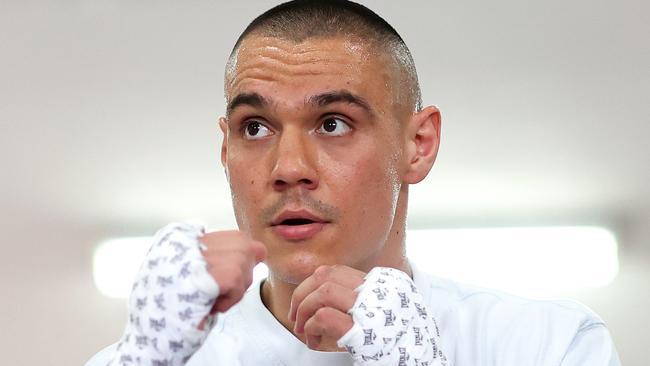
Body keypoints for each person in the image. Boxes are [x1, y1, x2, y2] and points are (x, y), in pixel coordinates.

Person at [86, 1, 621, 365]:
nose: (288, 167)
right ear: (225, 150)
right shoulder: (158, 358)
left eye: (333, 122)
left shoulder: (544, 345)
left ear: (419, 144)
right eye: (256, 127)